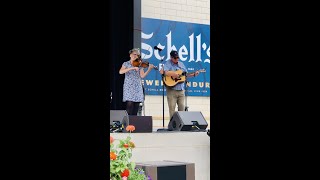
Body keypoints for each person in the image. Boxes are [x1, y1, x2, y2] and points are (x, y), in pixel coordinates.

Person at [162, 50, 199, 119]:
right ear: (171, 57)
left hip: (181, 90)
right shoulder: (168, 63)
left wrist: (194, 74)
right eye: (175, 58)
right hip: (172, 90)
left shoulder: (181, 64)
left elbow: (185, 75)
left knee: (182, 108)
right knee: (172, 108)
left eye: (177, 57)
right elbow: (165, 72)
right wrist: (174, 74)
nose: (177, 59)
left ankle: (180, 125)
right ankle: (173, 125)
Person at [119, 48, 154, 115]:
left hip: (137, 86)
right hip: (129, 86)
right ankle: (127, 122)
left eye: (137, 55)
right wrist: (132, 68)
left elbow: (142, 76)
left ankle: (134, 123)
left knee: (136, 106)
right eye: (134, 54)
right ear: (130, 55)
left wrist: (149, 69)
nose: (135, 56)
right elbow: (121, 72)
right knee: (129, 104)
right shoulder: (126, 64)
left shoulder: (140, 64)